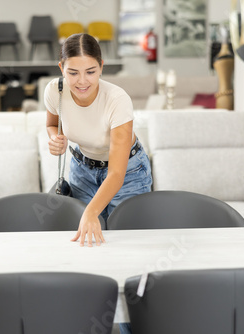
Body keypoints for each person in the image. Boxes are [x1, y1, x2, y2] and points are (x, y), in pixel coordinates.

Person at [45, 33, 152, 250]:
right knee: (88, 242)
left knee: (126, 242)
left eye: (90, 72)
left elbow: (116, 173)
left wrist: (90, 212)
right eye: (73, 73)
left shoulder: (117, 100)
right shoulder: (55, 91)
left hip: (127, 172)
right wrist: (55, 139)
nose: (82, 81)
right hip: (82, 170)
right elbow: (51, 124)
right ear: (61, 68)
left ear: (101, 67)